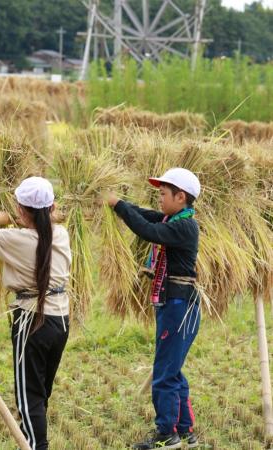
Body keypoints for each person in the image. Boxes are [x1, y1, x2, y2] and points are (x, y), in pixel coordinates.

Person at [0, 176, 71, 450]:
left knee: (29, 396)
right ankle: (35, 441)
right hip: (61, 320)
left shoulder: (16, 240)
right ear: (52, 208)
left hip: (32, 321)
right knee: (41, 392)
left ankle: (36, 446)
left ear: (20, 210)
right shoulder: (61, 234)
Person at [107, 168, 201, 450]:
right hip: (176, 303)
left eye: (163, 194)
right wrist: (121, 206)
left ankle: (166, 434)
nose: (159, 199)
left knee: (164, 372)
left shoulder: (183, 226)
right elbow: (146, 215)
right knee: (173, 370)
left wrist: (118, 205)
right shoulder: (174, 218)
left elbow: (148, 231)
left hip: (178, 305)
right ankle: (185, 431)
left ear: (180, 196)